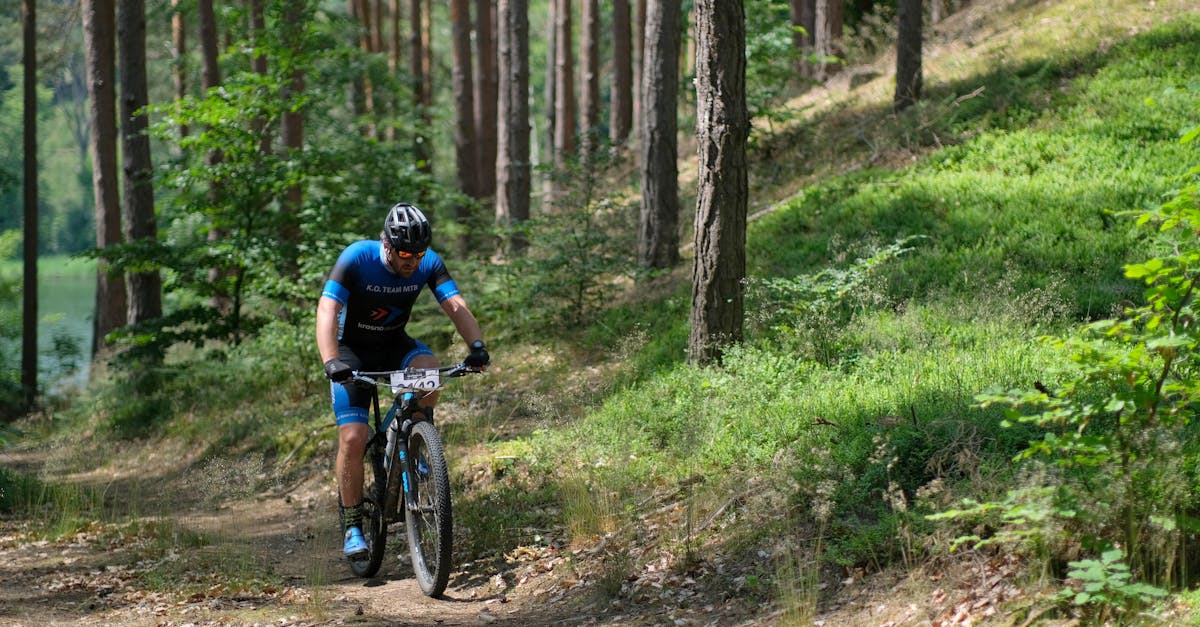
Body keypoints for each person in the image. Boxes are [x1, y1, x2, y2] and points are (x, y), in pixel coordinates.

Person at [316, 202, 490, 558]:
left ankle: (413, 435)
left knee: (430, 371)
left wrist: (477, 346)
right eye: (406, 252)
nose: (413, 260)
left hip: (395, 345)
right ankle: (352, 525)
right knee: (353, 436)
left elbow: (453, 303)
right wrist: (331, 360)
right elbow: (327, 308)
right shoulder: (357, 258)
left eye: (419, 252)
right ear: (388, 244)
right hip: (352, 354)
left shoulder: (427, 262)